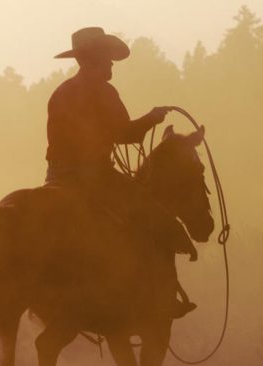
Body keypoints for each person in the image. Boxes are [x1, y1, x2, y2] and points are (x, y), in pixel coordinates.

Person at [44, 27, 197, 318]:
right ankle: (163, 296)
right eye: (107, 58)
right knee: (149, 212)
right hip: (93, 178)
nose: (112, 64)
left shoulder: (61, 92)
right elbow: (126, 135)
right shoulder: (103, 91)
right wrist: (152, 117)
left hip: (55, 178)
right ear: (95, 59)